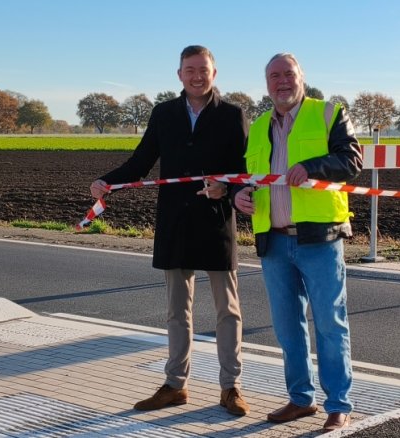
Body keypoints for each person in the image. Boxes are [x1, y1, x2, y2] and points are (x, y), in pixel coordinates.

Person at [89, 45, 250, 416]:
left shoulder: (232, 114)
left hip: (215, 223)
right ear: (179, 74)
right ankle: (176, 385)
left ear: (214, 73)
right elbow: (141, 160)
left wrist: (226, 188)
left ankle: (231, 387)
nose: (197, 76)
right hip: (175, 223)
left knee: (228, 310)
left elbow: (244, 169)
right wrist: (107, 181)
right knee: (177, 311)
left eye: (203, 70)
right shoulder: (164, 113)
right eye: (190, 70)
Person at [232, 53, 362, 431]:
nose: (281, 81)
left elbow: (352, 159)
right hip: (273, 242)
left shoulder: (328, 113)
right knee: (288, 327)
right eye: (274, 76)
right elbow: (249, 178)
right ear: (267, 83)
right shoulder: (257, 128)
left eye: (288, 74)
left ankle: (338, 403)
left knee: (329, 324)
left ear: (301, 77)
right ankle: (300, 400)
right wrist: (240, 195)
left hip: (319, 239)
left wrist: (314, 167)